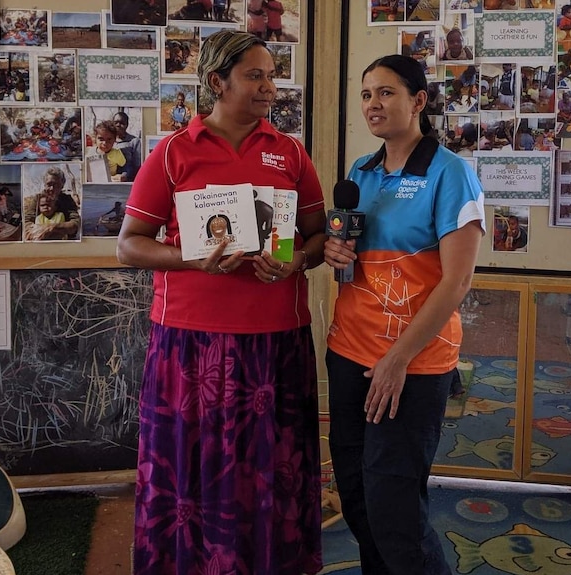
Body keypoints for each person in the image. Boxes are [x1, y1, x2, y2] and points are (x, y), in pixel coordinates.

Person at [116, 30, 327, 575]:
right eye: (254, 75)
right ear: (217, 82)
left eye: (270, 75)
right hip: (191, 345)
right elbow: (129, 246)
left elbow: (316, 237)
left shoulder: (290, 152)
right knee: (195, 470)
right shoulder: (172, 154)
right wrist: (190, 258)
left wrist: (297, 260)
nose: (268, 87)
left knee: (271, 469)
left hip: (277, 345)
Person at [323, 54, 485, 575]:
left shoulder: (451, 174)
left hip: (410, 366)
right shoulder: (360, 173)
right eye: (367, 94)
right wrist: (336, 254)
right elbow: (353, 259)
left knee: (393, 507)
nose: (374, 104)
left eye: (387, 92)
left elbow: (457, 281)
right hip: (349, 353)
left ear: (418, 101)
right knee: (356, 496)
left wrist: (398, 360)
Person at [23, 166, 80, 241]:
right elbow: (27, 221)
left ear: (62, 185)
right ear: (45, 184)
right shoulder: (38, 199)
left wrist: (51, 227)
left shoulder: (67, 200)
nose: (52, 188)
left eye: (56, 185)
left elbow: (75, 223)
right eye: (49, 184)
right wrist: (36, 230)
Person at [112, 111, 142, 180]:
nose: (118, 125)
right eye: (115, 122)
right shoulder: (108, 140)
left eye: (122, 123)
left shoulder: (134, 141)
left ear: (127, 125)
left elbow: (137, 166)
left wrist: (126, 175)